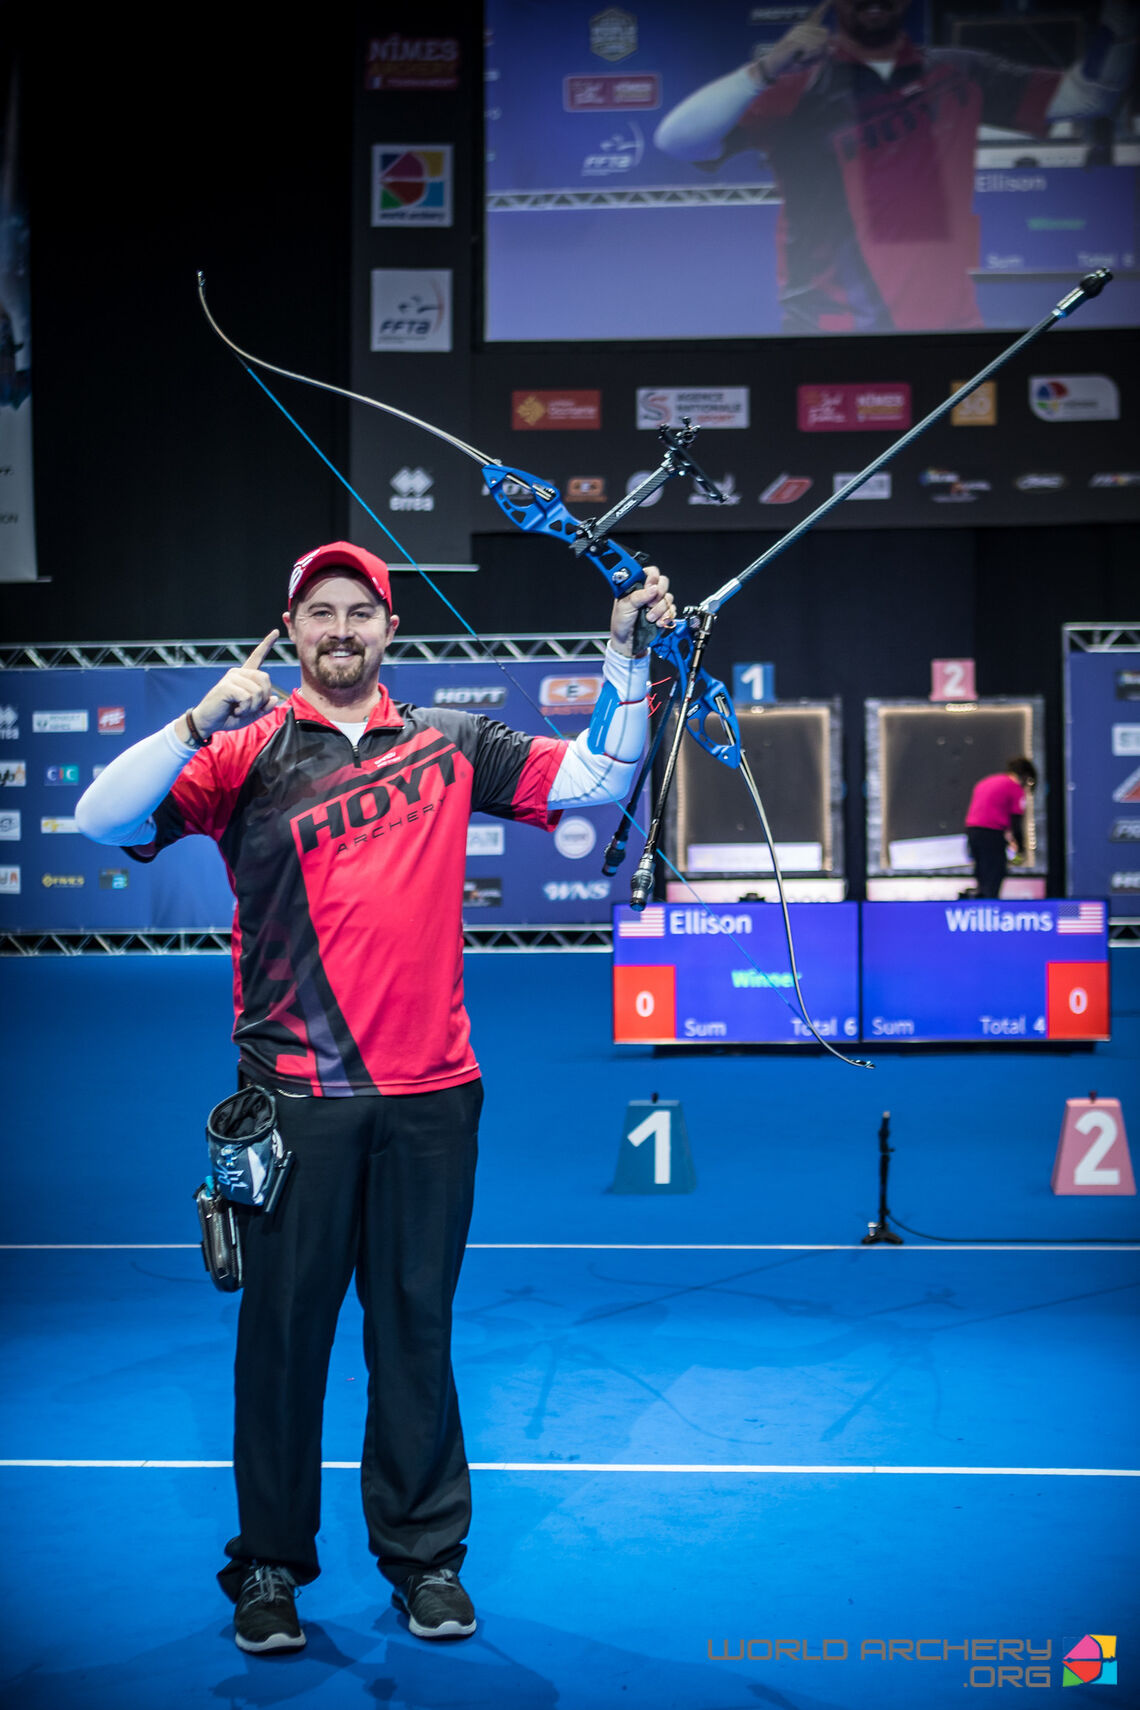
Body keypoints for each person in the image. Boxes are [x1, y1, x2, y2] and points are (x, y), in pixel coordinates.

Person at [76, 540, 676, 1653]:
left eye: (360, 612)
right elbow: (100, 822)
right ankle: (267, 1567)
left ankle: (426, 1563)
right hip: (293, 1097)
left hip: (435, 1097)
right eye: (320, 613)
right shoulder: (243, 750)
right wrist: (200, 718)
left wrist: (624, 656)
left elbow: (597, 779)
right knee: (282, 1340)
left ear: (389, 629)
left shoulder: (452, 744)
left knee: (415, 1336)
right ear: (290, 628)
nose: (341, 630)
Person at [654, 0, 1137, 332]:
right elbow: (677, 141)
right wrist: (767, 67)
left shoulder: (960, 71)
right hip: (829, 329)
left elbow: (1087, 98)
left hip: (951, 329)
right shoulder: (796, 88)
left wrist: (1123, 22)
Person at [964, 755, 1037, 899]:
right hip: (991, 833)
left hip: (972, 831)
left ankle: (980, 903)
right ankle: (991, 907)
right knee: (995, 872)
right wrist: (1021, 848)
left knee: (982, 873)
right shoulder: (1015, 788)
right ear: (1025, 776)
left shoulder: (986, 782)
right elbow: (1016, 821)